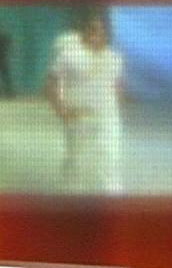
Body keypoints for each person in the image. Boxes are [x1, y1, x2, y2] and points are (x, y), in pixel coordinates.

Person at [45, 11, 124, 193]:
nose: (98, 35)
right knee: (77, 163)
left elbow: (118, 86)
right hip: (78, 118)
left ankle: (112, 197)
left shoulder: (114, 58)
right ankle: (73, 198)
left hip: (107, 119)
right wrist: (61, 111)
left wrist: (114, 111)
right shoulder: (68, 55)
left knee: (110, 158)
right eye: (93, 30)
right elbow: (50, 84)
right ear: (84, 31)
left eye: (103, 31)